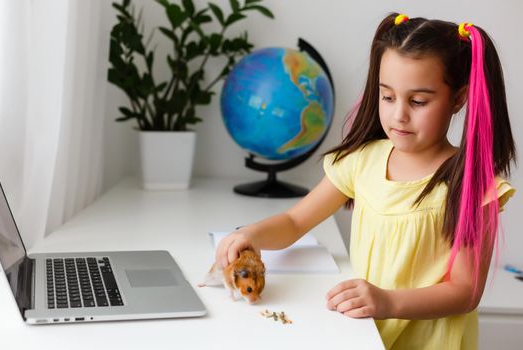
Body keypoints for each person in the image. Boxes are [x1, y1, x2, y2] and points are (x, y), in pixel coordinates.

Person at [215, 12, 516, 349]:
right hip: (364, 336)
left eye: (418, 101)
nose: (398, 114)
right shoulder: (363, 161)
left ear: (458, 98)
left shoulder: (473, 184)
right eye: (387, 97)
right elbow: (294, 221)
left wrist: (387, 302)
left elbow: (465, 292)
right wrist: (252, 234)